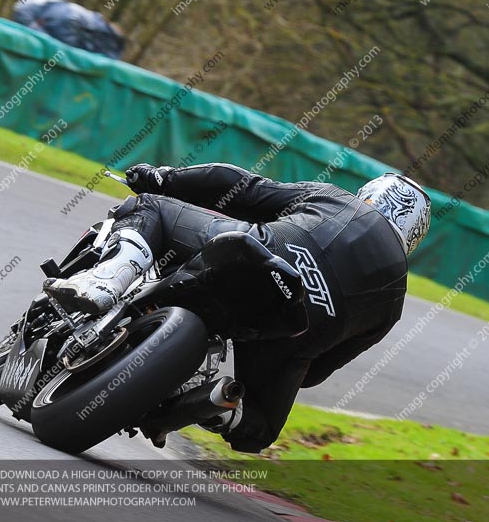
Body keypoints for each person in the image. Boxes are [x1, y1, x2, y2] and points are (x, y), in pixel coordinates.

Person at [44, 163, 431, 452]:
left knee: (152, 206)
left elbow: (240, 186)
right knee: (260, 430)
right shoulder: (393, 303)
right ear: (412, 237)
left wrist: (165, 178)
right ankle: (218, 404)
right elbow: (316, 373)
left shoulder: (337, 198)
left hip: (255, 257)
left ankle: (107, 280)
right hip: (290, 329)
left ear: (370, 193)